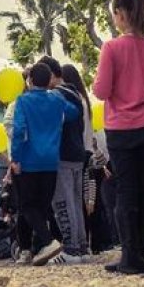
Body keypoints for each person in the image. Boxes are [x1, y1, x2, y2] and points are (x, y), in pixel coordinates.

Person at [92, 0, 144, 275]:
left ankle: (130, 254)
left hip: (120, 128)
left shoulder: (111, 48)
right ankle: (141, 253)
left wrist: (97, 83)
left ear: (121, 14)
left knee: (125, 192)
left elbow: (102, 91)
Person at [11, 63, 81, 266]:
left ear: (30, 80)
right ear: (50, 79)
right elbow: (74, 112)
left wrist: (15, 158)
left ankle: (48, 242)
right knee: (42, 206)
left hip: (29, 160)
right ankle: (39, 247)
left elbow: (19, 131)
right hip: (51, 160)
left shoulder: (23, 101)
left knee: (26, 205)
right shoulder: (57, 99)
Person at [47, 59, 90, 265]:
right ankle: (82, 245)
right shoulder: (76, 94)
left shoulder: (55, 95)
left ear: (51, 74)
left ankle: (71, 249)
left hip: (62, 153)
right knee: (76, 201)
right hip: (78, 153)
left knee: (63, 202)